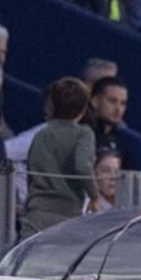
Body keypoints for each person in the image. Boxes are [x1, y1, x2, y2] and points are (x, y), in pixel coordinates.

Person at [20, 76, 95, 236]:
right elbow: (83, 167)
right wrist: (94, 197)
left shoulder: (41, 134)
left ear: (52, 105)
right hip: (67, 216)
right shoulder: (84, 134)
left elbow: (31, 172)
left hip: (36, 213)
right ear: (83, 109)